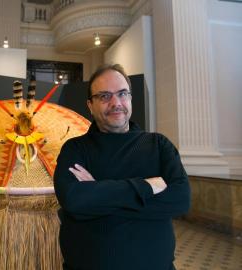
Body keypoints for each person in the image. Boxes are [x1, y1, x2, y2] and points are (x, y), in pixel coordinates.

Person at [54, 64, 190, 270]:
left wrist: (98, 192)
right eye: (105, 96)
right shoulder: (75, 149)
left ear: (130, 98)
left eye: (122, 94)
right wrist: (145, 188)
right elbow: (74, 200)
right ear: (90, 105)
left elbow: (180, 200)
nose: (116, 103)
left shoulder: (158, 144)